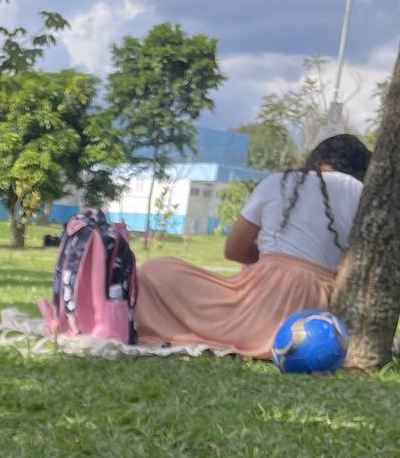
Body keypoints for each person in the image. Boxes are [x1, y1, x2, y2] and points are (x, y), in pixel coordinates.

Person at [134, 134, 372, 357]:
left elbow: (234, 250)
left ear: (317, 159)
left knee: (156, 270)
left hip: (256, 301)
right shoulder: (362, 192)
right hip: (312, 318)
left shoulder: (280, 181)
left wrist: (271, 263)